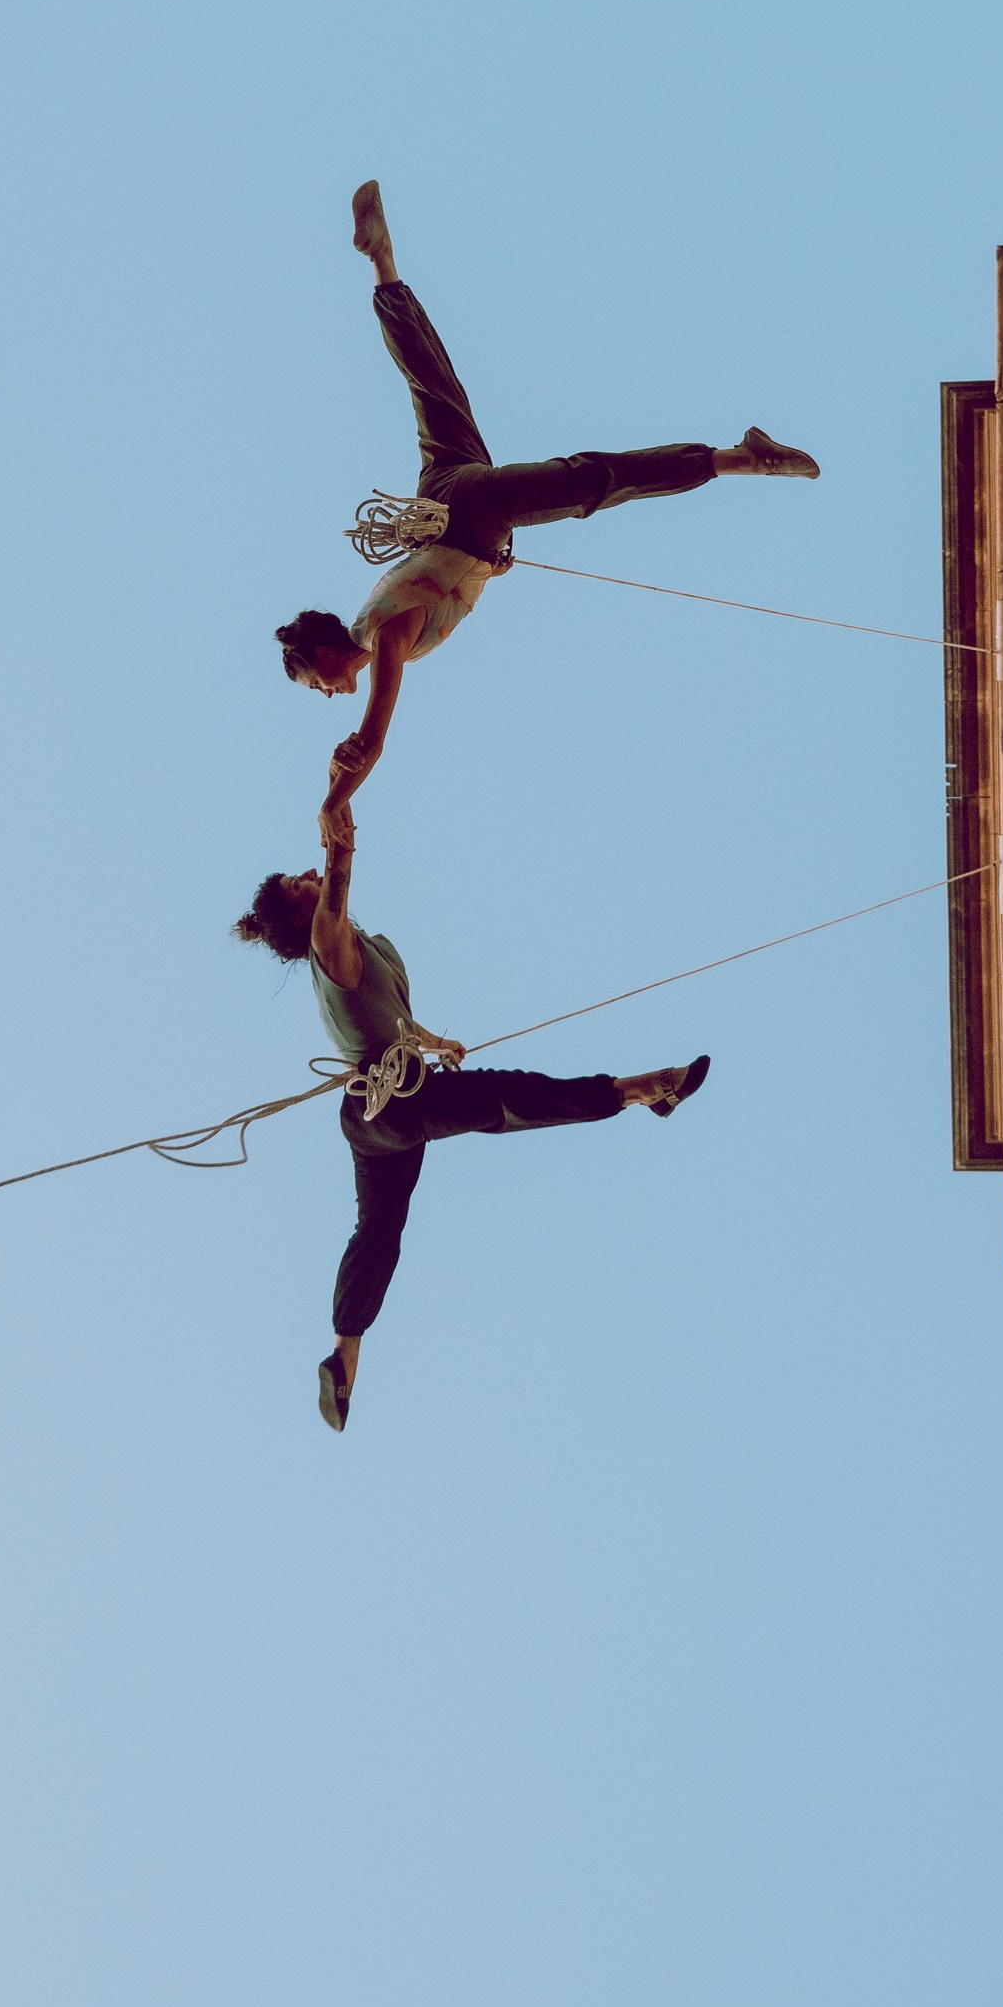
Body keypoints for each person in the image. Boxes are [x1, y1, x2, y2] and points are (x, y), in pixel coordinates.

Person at [276, 181, 821, 820]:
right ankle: (381, 263)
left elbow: (371, 739)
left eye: (319, 685)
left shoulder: (385, 636)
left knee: (592, 481)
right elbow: (448, 581)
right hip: (453, 497)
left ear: (325, 656)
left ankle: (738, 458)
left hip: (474, 510)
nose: (331, 695)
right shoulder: (375, 617)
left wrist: (334, 802)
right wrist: (490, 566)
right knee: (433, 385)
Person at [235, 803, 710, 1430]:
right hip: (396, 1101)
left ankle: (345, 1355)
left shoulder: (353, 949)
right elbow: (341, 868)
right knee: (510, 1096)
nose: (311, 875)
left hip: (375, 1119)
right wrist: (338, 813)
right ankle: (647, 1090)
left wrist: (436, 1043)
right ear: (304, 912)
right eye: (303, 885)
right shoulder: (329, 939)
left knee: (379, 1230)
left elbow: (390, 1017)